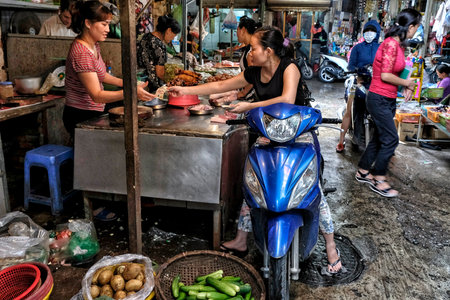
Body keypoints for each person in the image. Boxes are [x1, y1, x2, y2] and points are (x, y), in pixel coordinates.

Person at [170, 26, 345, 275]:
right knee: (253, 182)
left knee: (313, 187)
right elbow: (220, 86)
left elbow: (287, 99)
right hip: (268, 134)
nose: (249, 52)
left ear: (268, 51)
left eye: (253, 48)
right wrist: (185, 90)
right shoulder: (254, 72)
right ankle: (242, 238)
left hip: (299, 133)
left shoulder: (289, 68)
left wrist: (249, 105)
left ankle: (330, 245)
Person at [64, 1, 154, 220]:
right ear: (87, 23)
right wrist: (132, 93)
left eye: (108, 24)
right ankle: (92, 209)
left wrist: (129, 83)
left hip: (93, 111)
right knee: (94, 163)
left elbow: (102, 76)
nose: (107, 28)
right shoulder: (81, 52)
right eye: (103, 24)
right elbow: (96, 93)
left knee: (104, 159)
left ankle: (110, 198)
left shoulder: (93, 45)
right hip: (80, 115)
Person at [355, 8, 421, 198]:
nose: (416, 30)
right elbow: (384, 75)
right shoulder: (391, 44)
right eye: (416, 27)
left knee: (379, 137)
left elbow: (395, 72)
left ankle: (363, 170)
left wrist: (404, 86)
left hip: (387, 97)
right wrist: (406, 83)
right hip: (378, 97)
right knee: (391, 139)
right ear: (411, 26)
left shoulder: (398, 45)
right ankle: (379, 177)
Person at [336, 20, 381, 153]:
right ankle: (343, 140)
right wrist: (359, 70)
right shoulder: (357, 48)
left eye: (372, 31)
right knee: (353, 110)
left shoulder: (381, 48)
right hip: (359, 82)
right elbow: (351, 66)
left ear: (377, 33)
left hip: (375, 84)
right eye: (366, 31)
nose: (369, 34)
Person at [137, 15, 181, 92]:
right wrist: (174, 81)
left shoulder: (146, 37)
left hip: (141, 82)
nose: (172, 39)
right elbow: (160, 73)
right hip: (153, 87)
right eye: (174, 36)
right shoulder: (159, 45)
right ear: (169, 31)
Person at [235, 16, 261, 100]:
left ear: (243, 30)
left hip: (251, 97)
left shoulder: (250, 51)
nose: (236, 34)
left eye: (237, 30)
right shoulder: (247, 48)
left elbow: (253, 77)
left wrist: (243, 93)